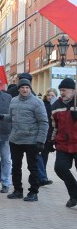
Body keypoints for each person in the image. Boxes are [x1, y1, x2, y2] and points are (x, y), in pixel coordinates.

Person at [0, 78, 48, 202]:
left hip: (31, 140)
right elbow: (11, 117)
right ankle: (18, 190)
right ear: (18, 89)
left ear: (30, 89)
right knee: (16, 167)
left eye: (27, 88)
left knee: (32, 167)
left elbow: (44, 122)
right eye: (22, 87)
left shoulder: (37, 102)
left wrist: (41, 141)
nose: (25, 90)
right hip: (15, 139)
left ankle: (33, 192)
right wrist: (2, 117)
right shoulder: (13, 101)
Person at [50, 77, 77, 208]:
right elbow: (54, 126)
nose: (62, 93)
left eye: (64, 90)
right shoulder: (56, 106)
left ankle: (73, 197)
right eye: (60, 90)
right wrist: (50, 141)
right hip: (62, 143)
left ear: (73, 90)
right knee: (60, 168)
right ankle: (74, 193)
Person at [38, 88, 58, 187]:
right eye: (49, 95)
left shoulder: (57, 106)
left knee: (45, 155)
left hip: (53, 134)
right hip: (45, 134)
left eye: (52, 95)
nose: (50, 97)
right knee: (43, 156)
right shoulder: (43, 105)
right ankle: (42, 176)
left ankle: (42, 176)